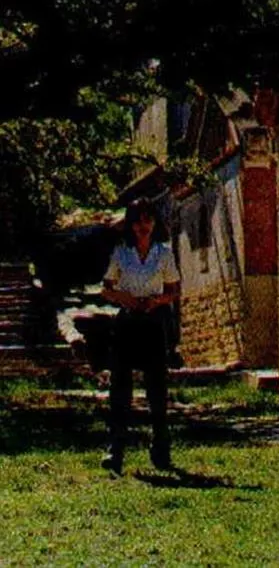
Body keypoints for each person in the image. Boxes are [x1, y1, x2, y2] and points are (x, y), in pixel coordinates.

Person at [100, 198, 181, 475]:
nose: (143, 226)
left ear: (155, 222)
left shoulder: (164, 253)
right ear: (130, 224)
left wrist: (156, 301)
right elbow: (106, 288)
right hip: (128, 322)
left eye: (148, 220)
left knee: (156, 388)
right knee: (120, 387)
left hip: (154, 322)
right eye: (137, 220)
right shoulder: (122, 253)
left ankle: (161, 449)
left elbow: (173, 290)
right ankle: (115, 449)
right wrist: (125, 298)